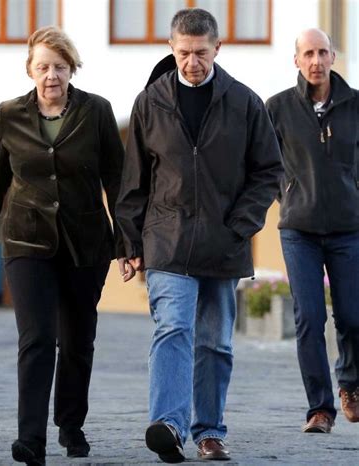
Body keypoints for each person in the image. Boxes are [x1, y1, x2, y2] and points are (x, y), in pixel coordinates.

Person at [116, 8, 282, 463]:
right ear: (172, 48)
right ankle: (168, 425)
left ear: (218, 49)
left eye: (201, 53)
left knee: (214, 343)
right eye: (185, 53)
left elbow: (269, 172)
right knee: (172, 328)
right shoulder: (149, 103)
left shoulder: (245, 103)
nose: (193, 62)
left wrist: (240, 226)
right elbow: (133, 183)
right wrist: (130, 245)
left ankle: (209, 431)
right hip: (166, 241)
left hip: (223, 244)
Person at [0, 26, 133, 465]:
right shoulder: (10, 114)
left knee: (77, 340)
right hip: (25, 239)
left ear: (71, 69)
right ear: (30, 70)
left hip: (86, 244)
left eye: (60, 67)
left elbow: (115, 180)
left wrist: (126, 243)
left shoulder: (97, 112)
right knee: (37, 338)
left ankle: (71, 424)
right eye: (43, 67)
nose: (51, 75)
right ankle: (30, 440)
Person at [266, 28, 359, 433]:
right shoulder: (278, 108)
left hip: (349, 228)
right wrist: (285, 196)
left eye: (323, 52)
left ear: (333, 57)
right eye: (309, 53)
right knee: (309, 318)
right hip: (298, 229)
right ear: (297, 60)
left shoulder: (355, 106)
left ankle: (351, 385)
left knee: (353, 316)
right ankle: (320, 409)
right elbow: (263, 163)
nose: (316, 60)